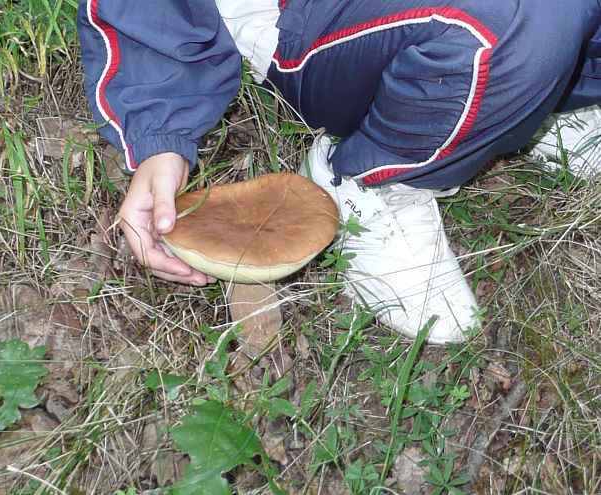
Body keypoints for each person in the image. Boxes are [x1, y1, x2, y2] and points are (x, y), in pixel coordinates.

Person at [77, 0, 601, 344]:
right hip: (302, 17)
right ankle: (372, 175)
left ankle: (530, 97)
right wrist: (160, 134)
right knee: (526, 17)